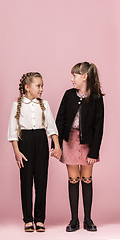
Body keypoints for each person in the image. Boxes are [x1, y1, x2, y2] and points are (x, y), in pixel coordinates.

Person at [7, 72, 61, 232]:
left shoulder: (44, 104)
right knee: (26, 182)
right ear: (27, 87)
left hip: (40, 140)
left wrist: (56, 145)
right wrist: (16, 151)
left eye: (42, 85)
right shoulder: (16, 105)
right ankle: (28, 219)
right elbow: (13, 130)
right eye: (38, 86)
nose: (41, 89)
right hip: (25, 141)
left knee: (41, 181)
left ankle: (40, 219)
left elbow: (51, 127)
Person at [55, 62, 104, 232]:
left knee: (87, 178)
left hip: (87, 143)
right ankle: (74, 219)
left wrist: (94, 151)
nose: (71, 79)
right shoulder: (68, 95)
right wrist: (57, 145)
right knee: (73, 178)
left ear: (84, 77)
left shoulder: (96, 97)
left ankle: (88, 219)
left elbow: (99, 127)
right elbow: (60, 120)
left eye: (74, 75)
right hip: (69, 141)